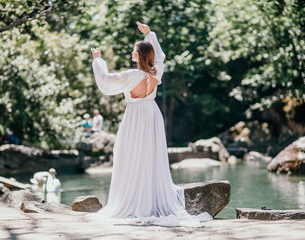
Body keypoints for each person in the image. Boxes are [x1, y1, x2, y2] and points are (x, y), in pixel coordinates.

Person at [89, 22, 212, 227]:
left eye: (134, 51)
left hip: (136, 115)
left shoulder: (132, 75)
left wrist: (98, 60)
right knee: (150, 155)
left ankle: (133, 199)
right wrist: (150, 34)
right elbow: (161, 56)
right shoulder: (157, 71)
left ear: (139, 55)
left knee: (131, 154)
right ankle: (150, 196)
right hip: (152, 113)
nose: (131, 52)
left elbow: (105, 80)